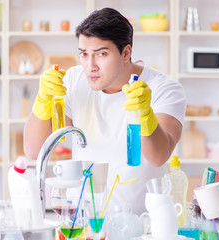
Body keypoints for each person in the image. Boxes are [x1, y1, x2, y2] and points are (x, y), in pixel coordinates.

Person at [24, 7, 186, 214]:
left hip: (139, 223)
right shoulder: (74, 81)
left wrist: (145, 114)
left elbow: (158, 157)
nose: (90, 66)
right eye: (84, 54)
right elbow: (34, 151)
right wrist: (42, 101)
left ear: (126, 52)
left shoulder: (164, 89)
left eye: (101, 54)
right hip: (82, 220)